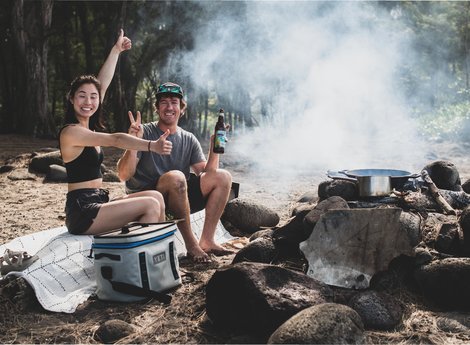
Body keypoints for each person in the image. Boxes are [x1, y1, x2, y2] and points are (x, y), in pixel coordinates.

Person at [59, 29, 173, 235]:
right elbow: (116, 139)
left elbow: (101, 85)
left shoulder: (88, 126)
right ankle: (144, 259)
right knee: (149, 205)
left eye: (93, 97)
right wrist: (151, 145)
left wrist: (116, 50)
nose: (89, 102)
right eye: (82, 96)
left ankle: (156, 252)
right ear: (71, 99)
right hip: (82, 211)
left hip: (97, 202)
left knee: (155, 197)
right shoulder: (71, 132)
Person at [117, 82, 233, 262]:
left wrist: (214, 147)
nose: (169, 107)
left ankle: (207, 241)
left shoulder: (188, 138)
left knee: (223, 176)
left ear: (182, 108)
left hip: (178, 197)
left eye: (174, 102)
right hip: (146, 200)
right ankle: (191, 246)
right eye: (163, 102)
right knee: (177, 177)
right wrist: (132, 142)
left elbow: (207, 175)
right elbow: (123, 175)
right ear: (157, 108)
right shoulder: (144, 131)